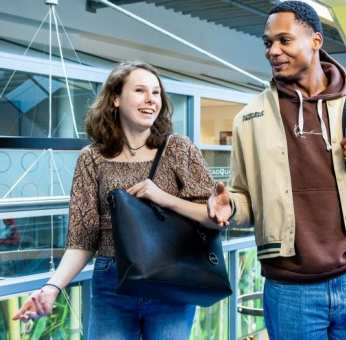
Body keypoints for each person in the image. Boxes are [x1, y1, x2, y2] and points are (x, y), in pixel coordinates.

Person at [208, 1, 346, 339]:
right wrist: (231, 206)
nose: (273, 51)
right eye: (268, 43)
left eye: (284, 40)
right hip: (289, 289)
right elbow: (244, 198)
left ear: (316, 41)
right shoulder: (250, 119)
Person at [12, 61, 222, 339]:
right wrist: (51, 288)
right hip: (112, 282)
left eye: (156, 92)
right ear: (115, 99)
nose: (151, 100)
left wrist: (162, 197)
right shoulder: (92, 158)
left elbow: (214, 217)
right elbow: (82, 240)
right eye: (140, 90)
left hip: (171, 278)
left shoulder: (178, 149)